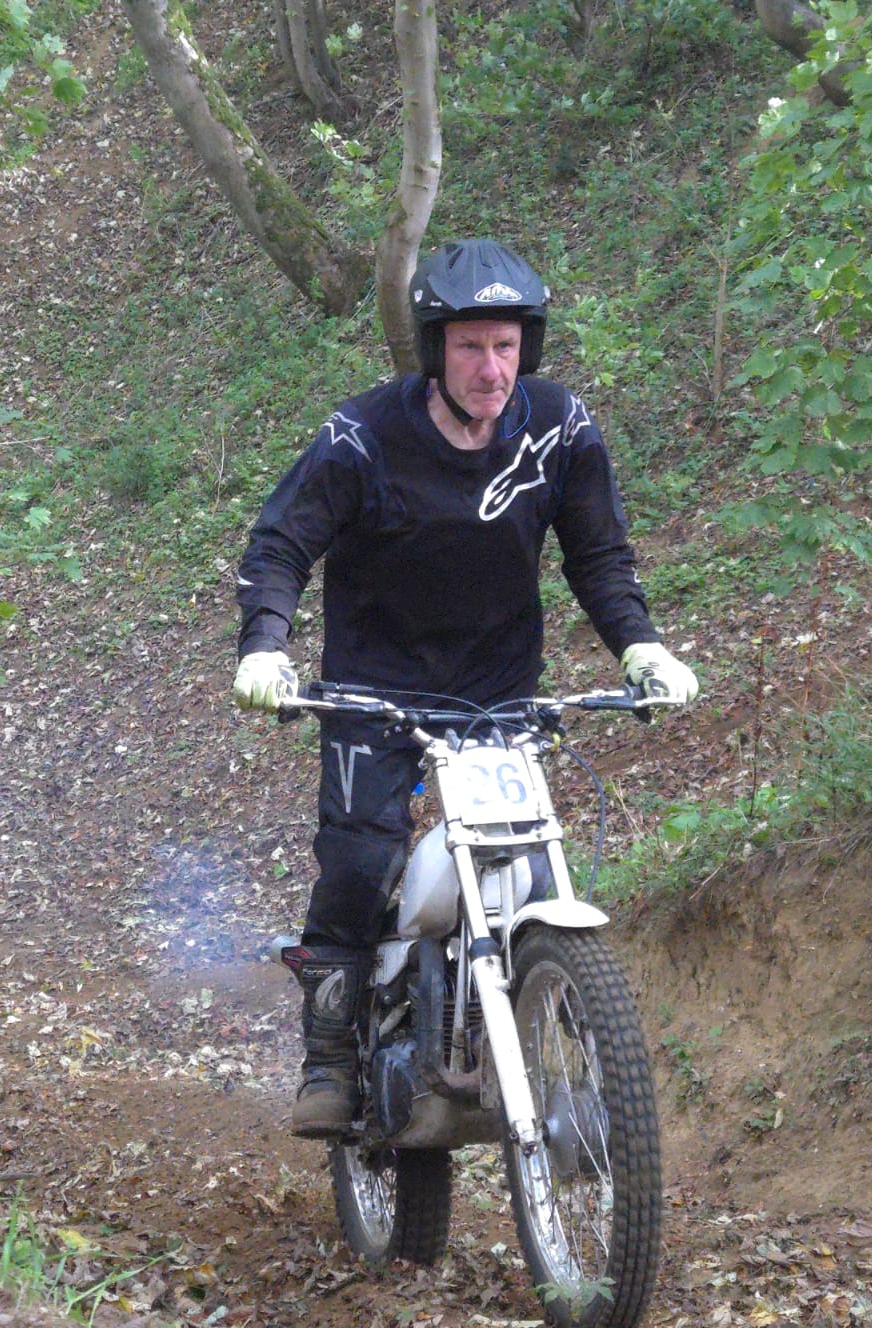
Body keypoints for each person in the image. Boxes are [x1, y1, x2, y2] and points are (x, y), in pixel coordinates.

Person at [233, 237, 697, 1138]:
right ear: (434, 349)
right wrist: (264, 649)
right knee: (360, 860)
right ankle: (330, 1057)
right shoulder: (362, 437)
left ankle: (538, 1032)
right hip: (375, 692)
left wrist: (642, 649)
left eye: (507, 346)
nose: (492, 368)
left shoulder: (559, 429)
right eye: (472, 346)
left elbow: (599, 556)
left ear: (530, 347)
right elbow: (280, 545)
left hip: (498, 693)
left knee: (528, 862)